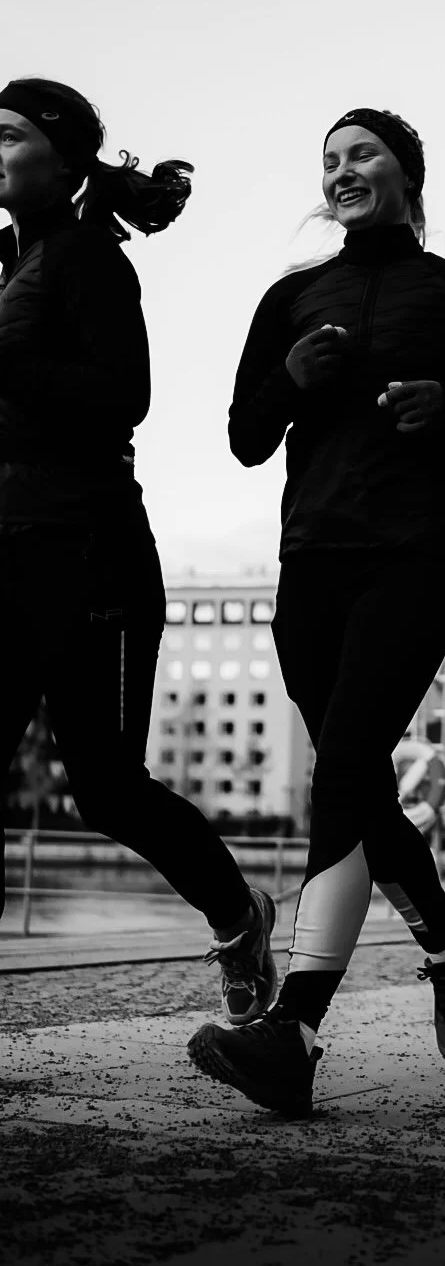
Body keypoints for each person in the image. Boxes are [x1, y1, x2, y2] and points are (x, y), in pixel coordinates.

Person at [188, 107, 445, 1116]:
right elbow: (246, 435)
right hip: (310, 561)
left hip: (414, 553)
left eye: (362, 155)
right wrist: (292, 378)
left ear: (407, 173)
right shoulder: (292, 295)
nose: (342, 171)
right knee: (356, 780)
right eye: (330, 161)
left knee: (345, 769)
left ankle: (293, 1030)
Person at [0, 78, 277, 1023]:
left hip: (89, 558)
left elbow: (123, 395)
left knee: (108, 790)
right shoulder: (12, 260)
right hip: (8, 553)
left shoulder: (88, 260)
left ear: (64, 157)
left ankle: (240, 920)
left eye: (7, 135)